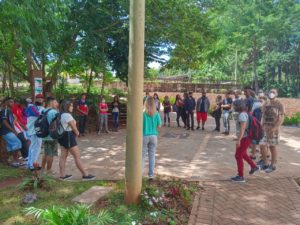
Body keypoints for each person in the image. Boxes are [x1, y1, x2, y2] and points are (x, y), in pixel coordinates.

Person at [58, 100, 95, 180]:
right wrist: (77, 133)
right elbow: (73, 127)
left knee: (63, 157)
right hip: (69, 137)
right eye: (71, 106)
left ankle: (62, 175)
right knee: (77, 156)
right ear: (67, 107)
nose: (72, 107)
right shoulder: (67, 115)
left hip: (62, 137)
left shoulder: (60, 115)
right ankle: (85, 174)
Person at [231, 100, 259, 183]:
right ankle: (254, 167)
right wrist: (238, 138)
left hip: (245, 138)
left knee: (238, 155)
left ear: (238, 106)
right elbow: (243, 128)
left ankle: (241, 176)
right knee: (242, 154)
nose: (233, 107)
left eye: (234, 106)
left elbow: (243, 128)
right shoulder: (243, 113)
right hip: (245, 137)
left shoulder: (242, 115)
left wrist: (239, 140)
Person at [259, 89, 284, 173]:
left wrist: (274, 129)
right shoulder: (265, 103)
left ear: (277, 94)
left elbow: (281, 119)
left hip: (274, 130)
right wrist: (261, 124)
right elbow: (263, 115)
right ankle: (266, 163)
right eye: (270, 92)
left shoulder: (280, 104)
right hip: (265, 128)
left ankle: (272, 165)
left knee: (272, 147)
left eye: (273, 92)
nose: (271, 93)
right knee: (262, 145)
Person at [142, 96, 161, 180]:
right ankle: (151, 174)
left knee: (142, 156)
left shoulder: (142, 113)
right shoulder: (156, 113)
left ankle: (139, 174)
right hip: (154, 136)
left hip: (144, 136)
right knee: (152, 155)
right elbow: (159, 126)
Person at [0, 97, 23, 167]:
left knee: (11, 146)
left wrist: (14, 130)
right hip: (6, 131)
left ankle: (13, 161)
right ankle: (14, 160)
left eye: (13, 102)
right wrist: (13, 130)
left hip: (9, 131)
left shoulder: (10, 111)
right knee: (17, 143)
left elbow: (11, 122)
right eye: (10, 102)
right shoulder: (5, 110)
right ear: (6, 102)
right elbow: (4, 122)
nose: (12, 103)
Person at [26, 94, 45, 170]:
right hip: (35, 131)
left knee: (32, 147)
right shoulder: (32, 107)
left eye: (41, 98)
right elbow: (39, 114)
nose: (40, 99)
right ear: (36, 99)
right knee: (36, 147)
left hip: (33, 130)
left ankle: (30, 164)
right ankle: (32, 165)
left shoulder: (34, 107)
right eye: (38, 98)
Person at [41, 97, 59, 174]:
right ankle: (49, 170)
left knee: (46, 152)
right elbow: (58, 123)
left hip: (44, 134)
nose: (57, 104)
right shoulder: (53, 112)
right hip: (52, 136)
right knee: (50, 154)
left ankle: (42, 168)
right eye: (55, 102)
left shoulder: (43, 111)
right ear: (51, 103)